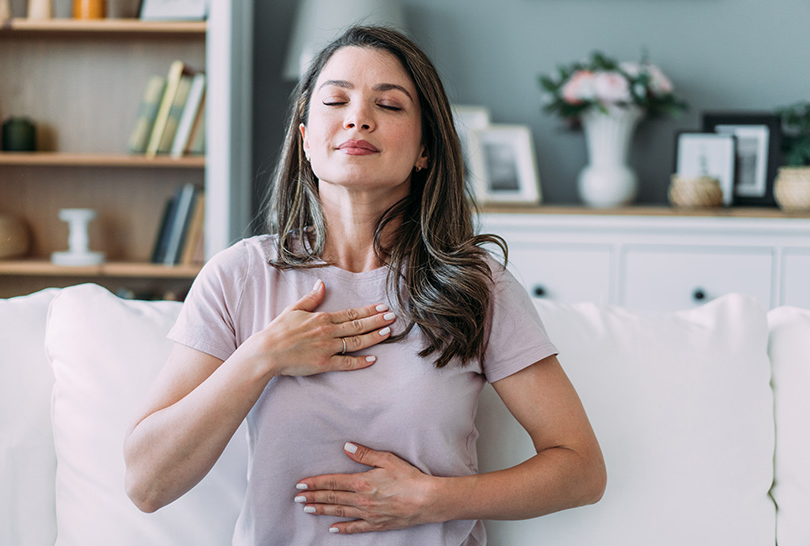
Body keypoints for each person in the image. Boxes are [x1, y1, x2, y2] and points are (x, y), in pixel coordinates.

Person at [124, 25, 605, 545]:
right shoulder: (240, 277)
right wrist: (262, 357)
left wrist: (431, 499)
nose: (358, 117)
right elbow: (146, 483)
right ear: (305, 139)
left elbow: (580, 470)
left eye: (390, 106)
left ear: (425, 149)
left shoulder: (478, 285)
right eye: (335, 100)